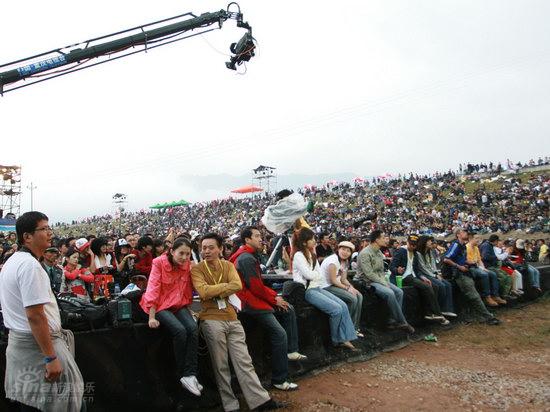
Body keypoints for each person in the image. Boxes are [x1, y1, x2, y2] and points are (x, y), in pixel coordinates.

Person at [0, 211, 84, 411]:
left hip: (23, 347)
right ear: (27, 236)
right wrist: (51, 357)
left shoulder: (14, 261)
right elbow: (35, 315)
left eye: (49, 228)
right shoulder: (30, 266)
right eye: (43, 229)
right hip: (38, 350)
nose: (49, 233)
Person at [191, 233, 283, 411]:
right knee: (221, 366)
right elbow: (203, 292)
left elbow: (237, 285)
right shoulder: (197, 269)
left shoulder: (227, 265)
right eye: (204, 248)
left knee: (244, 361)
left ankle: (259, 400)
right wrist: (225, 288)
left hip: (232, 317)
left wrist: (215, 290)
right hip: (211, 319)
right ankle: (230, 405)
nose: (207, 251)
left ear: (220, 249)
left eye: (211, 247)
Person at [229, 226, 305, 392]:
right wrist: (274, 299)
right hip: (248, 303)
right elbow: (255, 288)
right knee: (279, 334)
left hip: (251, 298)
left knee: (288, 308)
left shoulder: (246, 255)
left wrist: (274, 298)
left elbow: (257, 285)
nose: (260, 239)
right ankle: (279, 379)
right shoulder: (246, 258)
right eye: (257, 236)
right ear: (247, 240)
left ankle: (292, 351)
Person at [140, 237, 201, 396]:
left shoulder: (187, 264)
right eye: (181, 253)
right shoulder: (158, 263)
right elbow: (153, 288)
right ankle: (182, 373)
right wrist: (151, 317)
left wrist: (190, 308)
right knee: (180, 331)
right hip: (159, 305)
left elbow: (189, 287)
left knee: (193, 329)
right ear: (172, 251)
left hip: (178, 304)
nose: (184, 257)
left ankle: (190, 374)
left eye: (187, 254)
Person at [291, 227, 358, 349]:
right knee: (336, 309)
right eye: (312, 239)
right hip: (307, 291)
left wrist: (315, 276)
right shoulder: (298, 256)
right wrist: (315, 276)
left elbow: (318, 275)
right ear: (305, 242)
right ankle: (336, 340)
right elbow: (309, 275)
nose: (314, 241)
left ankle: (346, 337)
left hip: (317, 287)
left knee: (343, 305)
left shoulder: (312, 255)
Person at [356, 230, 415, 333]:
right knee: (390, 293)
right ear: (376, 240)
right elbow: (369, 274)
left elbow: (381, 271)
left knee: (399, 292)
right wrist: (383, 283)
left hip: (379, 279)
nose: (385, 240)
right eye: (383, 237)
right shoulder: (365, 253)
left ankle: (392, 320)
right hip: (367, 281)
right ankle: (402, 321)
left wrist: (384, 281)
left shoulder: (379, 252)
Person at [442, 228, 500, 325]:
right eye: (464, 232)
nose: (466, 233)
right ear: (458, 234)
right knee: (474, 296)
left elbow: (461, 259)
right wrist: (459, 266)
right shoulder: (456, 245)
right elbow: (446, 259)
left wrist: (469, 263)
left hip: (465, 272)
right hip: (459, 274)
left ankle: (472, 316)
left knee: (469, 296)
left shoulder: (463, 246)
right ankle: (487, 317)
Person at [390, 235, 450, 325]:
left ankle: (430, 312)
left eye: (414, 245)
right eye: (411, 244)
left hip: (413, 276)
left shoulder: (415, 253)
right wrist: (397, 270)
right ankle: (435, 313)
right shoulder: (401, 251)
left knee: (433, 286)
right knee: (427, 287)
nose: (412, 247)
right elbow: (392, 266)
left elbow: (416, 270)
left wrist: (423, 277)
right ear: (407, 242)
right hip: (404, 277)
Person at [320, 241, 365, 336]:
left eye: (348, 251)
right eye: (343, 249)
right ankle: (347, 328)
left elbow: (343, 279)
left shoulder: (345, 262)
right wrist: (347, 288)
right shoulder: (333, 261)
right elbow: (333, 280)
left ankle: (354, 327)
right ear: (338, 249)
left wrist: (352, 288)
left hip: (335, 284)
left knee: (359, 295)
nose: (345, 252)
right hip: (326, 286)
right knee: (352, 299)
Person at [415, 235, 456, 317]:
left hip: (433, 273)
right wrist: (434, 275)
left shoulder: (430, 251)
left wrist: (437, 273)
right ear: (424, 242)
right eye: (429, 241)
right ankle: (440, 309)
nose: (431, 242)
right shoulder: (418, 253)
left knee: (448, 285)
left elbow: (433, 265)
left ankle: (448, 309)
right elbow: (423, 268)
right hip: (425, 274)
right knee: (441, 285)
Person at [468, 234, 507, 307]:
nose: (478, 240)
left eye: (479, 238)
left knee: (492, 274)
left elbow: (479, 260)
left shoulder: (476, 248)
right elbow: (469, 261)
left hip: (478, 266)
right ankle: (487, 297)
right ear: (470, 239)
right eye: (476, 238)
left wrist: (483, 268)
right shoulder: (467, 247)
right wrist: (481, 267)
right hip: (471, 267)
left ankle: (495, 296)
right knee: (484, 274)